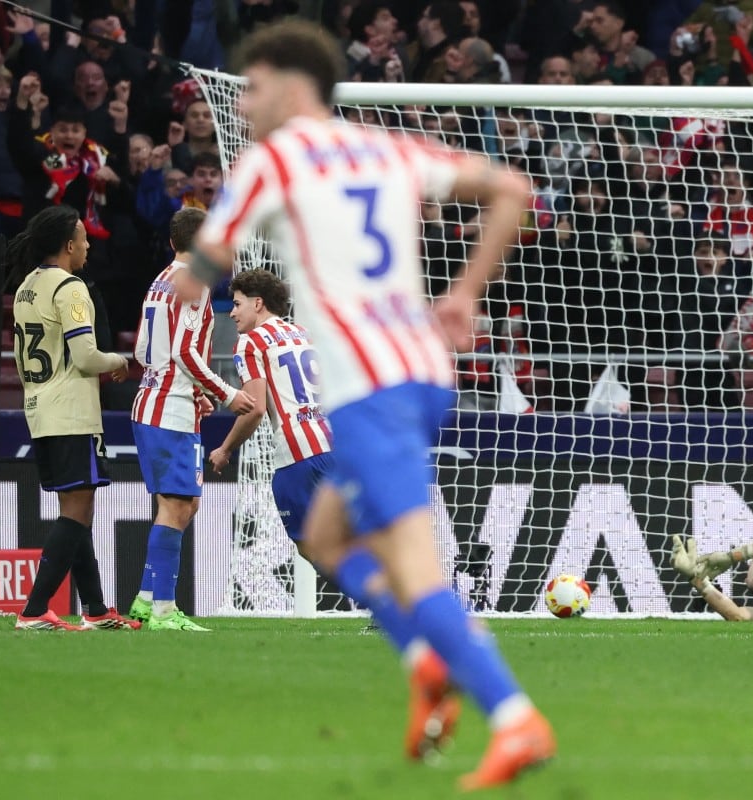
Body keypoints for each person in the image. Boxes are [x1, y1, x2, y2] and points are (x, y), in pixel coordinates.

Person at [185, 20, 554, 790]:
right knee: (326, 532)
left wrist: (190, 277)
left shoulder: (275, 158)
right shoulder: (385, 147)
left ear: (292, 85)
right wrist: (464, 294)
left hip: (366, 390)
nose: (244, 105)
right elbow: (513, 189)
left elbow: (208, 260)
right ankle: (425, 666)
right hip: (421, 371)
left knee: (417, 574)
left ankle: (515, 718)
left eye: (252, 88)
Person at [7, 206, 138, 631]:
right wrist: (121, 359)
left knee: (78, 511)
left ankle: (96, 610)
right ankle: (33, 611)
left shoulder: (27, 287)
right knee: (76, 511)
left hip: (40, 410)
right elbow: (85, 356)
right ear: (67, 245)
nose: (88, 244)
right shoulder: (70, 287)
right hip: (71, 413)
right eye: (83, 238)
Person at [127, 208, 255, 631]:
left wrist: (194, 391)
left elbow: (144, 352)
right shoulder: (195, 283)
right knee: (178, 506)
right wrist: (226, 392)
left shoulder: (159, 280)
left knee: (184, 503)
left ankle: (147, 599)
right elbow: (184, 351)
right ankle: (164, 608)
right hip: (168, 409)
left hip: (155, 400)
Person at [206, 269, 331, 560]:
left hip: (297, 456)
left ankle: (385, 600)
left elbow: (255, 408)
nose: (233, 313)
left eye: (237, 304)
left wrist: (225, 449)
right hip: (334, 446)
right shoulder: (303, 334)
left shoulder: (250, 342)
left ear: (258, 303)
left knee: (315, 550)